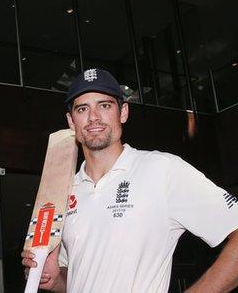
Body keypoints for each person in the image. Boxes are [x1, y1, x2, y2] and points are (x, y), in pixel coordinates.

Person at [21, 68, 238, 292]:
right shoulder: (65, 191)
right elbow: (80, 278)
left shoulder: (162, 170)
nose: (93, 117)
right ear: (71, 121)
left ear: (123, 112)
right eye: (82, 108)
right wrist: (54, 278)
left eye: (104, 105)